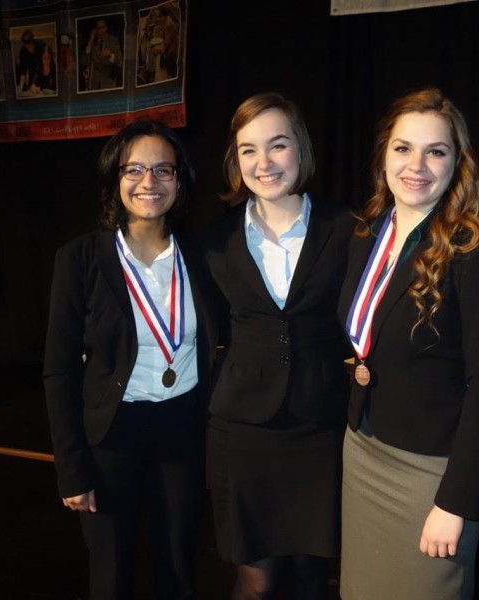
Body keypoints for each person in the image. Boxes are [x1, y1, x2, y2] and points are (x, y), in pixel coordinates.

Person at [336, 86, 479, 600]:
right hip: (364, 448)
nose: (417, 165)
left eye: (435, 151)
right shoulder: (367, 236)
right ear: (384, 156)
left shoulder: (477, 254)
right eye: (403, 148)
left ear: (457, 163)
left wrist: (456, 503)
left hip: (431, 473)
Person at [43, 118, 218, 600]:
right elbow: (59, 370)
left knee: (179, 563)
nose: (149, 182)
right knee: (111, 569)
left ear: (180, 182)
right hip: (110, 434)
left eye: (164, 170)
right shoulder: (79, 258)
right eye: (134, 169)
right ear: (114, 178)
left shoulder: (200, 255)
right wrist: (71, 469)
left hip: (180, 428)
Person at [201, 92, 354, 600]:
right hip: (243, 432)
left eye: (277, 145)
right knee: (255, 582)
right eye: (248, 150)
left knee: (312, 578)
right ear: (234, 159)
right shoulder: (214, 244)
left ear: (300, 150)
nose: (263, 163)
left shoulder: (349, 230)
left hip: (319, 427)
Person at [82, 18, 123, 90]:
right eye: (99, 28)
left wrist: (110, 55)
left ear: (107, 28)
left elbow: (120, 62)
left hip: (108, 83)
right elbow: (83, 62)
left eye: (103, 27)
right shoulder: (92, 43)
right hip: (93, 85)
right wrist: (90, 41)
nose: (101, 30)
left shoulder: (113, 40)